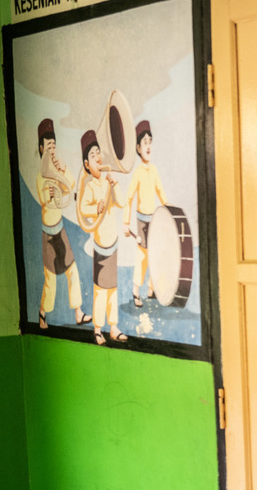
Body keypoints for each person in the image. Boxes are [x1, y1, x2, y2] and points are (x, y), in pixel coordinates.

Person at [34, 118, 90, 329]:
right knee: (51, 280)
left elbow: (72, 185)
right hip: (49, 235)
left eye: (54, 146)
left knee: (72, 269)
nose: (52, 150)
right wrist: (53, 186)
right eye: (49, 147)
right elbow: (45, 199)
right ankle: (41, 312)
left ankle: (78, 312)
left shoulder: (57, 169)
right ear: (41, 149)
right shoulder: (42, 175)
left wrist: (64, 169)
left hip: (61, 230)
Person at [77, 130, 130, 345]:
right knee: (100, 290)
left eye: (98, 152)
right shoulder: (89, 186)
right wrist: (95, 209)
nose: (98, 157)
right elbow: (82, 208)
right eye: (92, 155)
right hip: (100, 245)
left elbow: (121, 203)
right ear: (87, 164)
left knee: (113, 289)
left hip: (113, 244)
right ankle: (98, 328)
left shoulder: (107, 182)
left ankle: (113, 327)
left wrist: (115, 184)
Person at [126, 120, 170, 307]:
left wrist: (168, 208)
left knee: (156, 254)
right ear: (138, 147)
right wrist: (125, 223)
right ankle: (136, 291)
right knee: (142, 256)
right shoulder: (137, 172)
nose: (148, 146)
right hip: (142, 221)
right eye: (144, 142)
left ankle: (152, 289)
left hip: (155, 220)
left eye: (150, 141)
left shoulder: (154, 170)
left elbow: (160, 191)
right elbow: (128, 199)